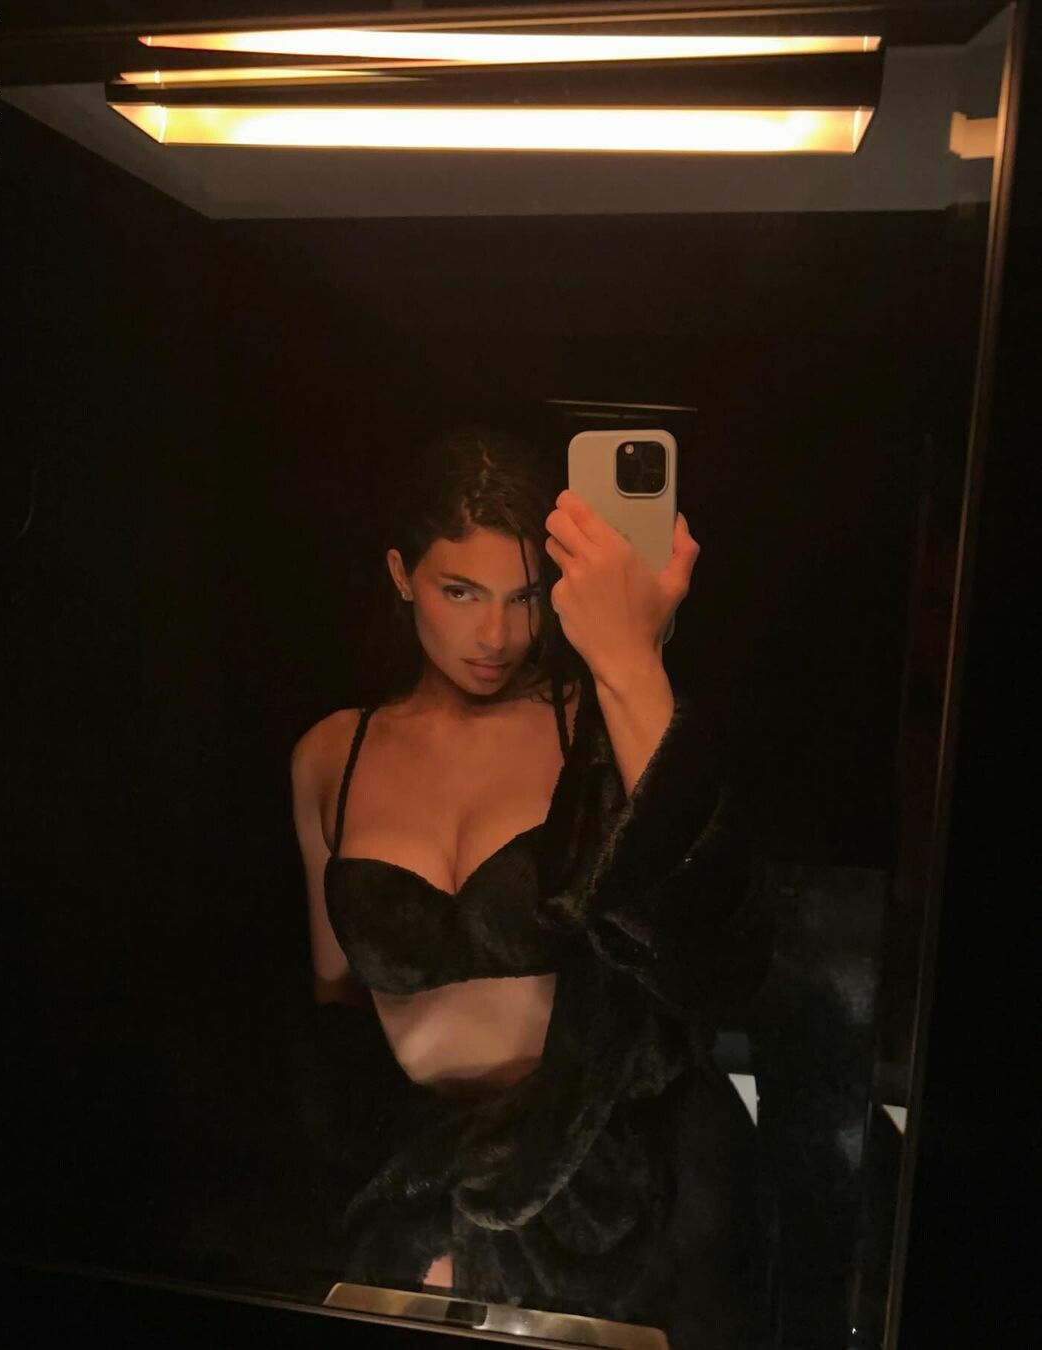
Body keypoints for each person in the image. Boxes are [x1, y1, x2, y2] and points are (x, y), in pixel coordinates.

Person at [291, 425, 776, 1349]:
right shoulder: (330, 754)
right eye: (460, 591)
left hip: (599, 1195)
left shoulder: (586, 721)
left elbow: (714, 941)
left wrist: (633, 661)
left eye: (523, 597)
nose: (497, 636)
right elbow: (335, 1004)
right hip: (415, 1202)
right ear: (400, 575)